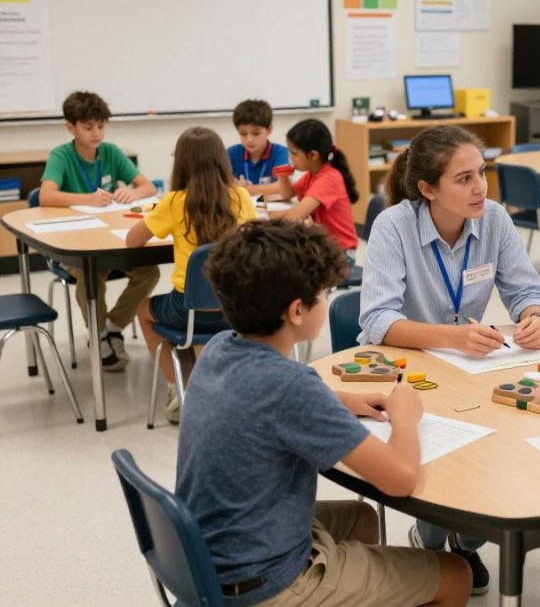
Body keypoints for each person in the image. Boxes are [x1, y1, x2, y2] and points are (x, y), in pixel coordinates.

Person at [178, 219, 471, 606]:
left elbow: (266, 398)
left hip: (212, 558)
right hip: (263, 584)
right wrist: (404, 417)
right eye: (324, 292)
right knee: (455, 574)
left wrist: (339, 398)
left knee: (361, 518)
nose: (327, 298)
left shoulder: (220, 348)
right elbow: (400, 480)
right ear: (297, 311)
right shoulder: (290, 388)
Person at [360, 125, 540, 595]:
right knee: (438, 446)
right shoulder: (394, 225)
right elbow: (378, 320)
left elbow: (526, 289)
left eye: (482, 173)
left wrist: (534, 316)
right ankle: (431, 540)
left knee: (500, 440)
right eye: (464, 179)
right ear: (428, 189)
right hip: (407, 369)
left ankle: (465, 542)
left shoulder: (495, 219)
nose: (480, 187)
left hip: (472, 367)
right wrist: (453, 337)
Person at [126, 127, 257, 424]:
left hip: (188, 312)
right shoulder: (240, 197)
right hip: (236, 310)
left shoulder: (175, 202)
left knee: (144, 311)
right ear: (222, 161)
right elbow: (254, 241)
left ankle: (176, 388)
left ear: (180, 163)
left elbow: (132, 241)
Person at [39, 90, 159, 371]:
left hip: (112, 239)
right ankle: (99, 335)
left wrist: (133, 192)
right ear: (71, 127)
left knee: (149, 272)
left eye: (101, 126)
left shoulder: (111, 152)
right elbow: (45, 196)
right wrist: (87, 199)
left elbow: (148, 186)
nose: (96, 133)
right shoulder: (61, 155)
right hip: (74, 243)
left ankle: (112, 328)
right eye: (88, 127)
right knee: (91, 277)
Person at [278, 119, 360, 266]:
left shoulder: (328, 179)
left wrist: (266, 218)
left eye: (294, 153)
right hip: (324, 246)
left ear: (313, 156)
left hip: (340, 254)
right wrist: (283, 177)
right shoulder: (312, 174)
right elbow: (287, 194)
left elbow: (292, 217)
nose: (290, 158)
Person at [227, 99, 291, 196]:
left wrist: (244, 189)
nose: (249, 139)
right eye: (243, 133)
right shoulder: (231, 153)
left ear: (269, 130)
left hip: (270, 205)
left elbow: (282, 187)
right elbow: (223, 187)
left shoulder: (281, 153)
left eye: (256, 133)